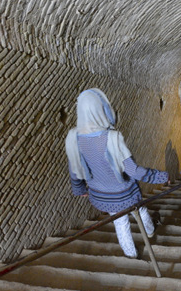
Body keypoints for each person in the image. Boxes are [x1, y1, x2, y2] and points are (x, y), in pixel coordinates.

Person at [65, 89, 169, 259]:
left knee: (120, 222)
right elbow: (133, 170)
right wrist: (160, 176)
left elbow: (74, 169)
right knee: (140, 209)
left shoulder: (73, 138)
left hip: (101, 195)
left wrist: (79, 189)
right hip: (124, 193)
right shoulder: (112, 138)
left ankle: (131, 255)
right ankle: (150, 231)